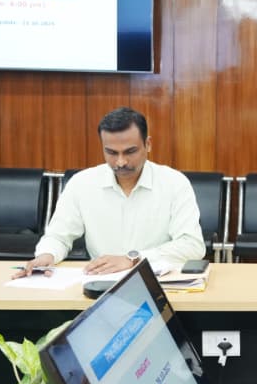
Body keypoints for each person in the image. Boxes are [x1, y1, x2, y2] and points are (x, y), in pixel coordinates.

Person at [16, 107, 204, 277]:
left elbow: (192, 245)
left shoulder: (174, 183)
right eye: (112, 153)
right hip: (99, 282)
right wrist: (46, 255)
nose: (121, 162)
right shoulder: (82, 183)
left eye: (130, 152)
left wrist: (133, 259)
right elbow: (58, 236)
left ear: (148, 144)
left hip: (159, 281)